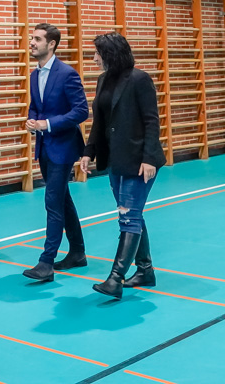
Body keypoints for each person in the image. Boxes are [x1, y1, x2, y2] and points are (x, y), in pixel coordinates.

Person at [78, 32, 166, 299]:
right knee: (132, 214)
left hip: (138, 160)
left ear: (110, 54)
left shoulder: (139, 79)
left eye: (97, 53)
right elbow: (100, 121)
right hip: (115, 159)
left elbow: (151, 121)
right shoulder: (103, 80)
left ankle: (115, 278)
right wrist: (88, 152)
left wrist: (148, 158)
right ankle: (145, 270)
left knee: (129, 216)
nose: (94, 58)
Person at [22, 23, 89, 282]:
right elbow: (36, 106)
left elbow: (81, 111)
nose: (32, 42)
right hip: (44, 146)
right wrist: (32, 120)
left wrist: (47, 124)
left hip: (63, 147)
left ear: (51, 44)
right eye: (32, 38)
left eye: (37, 39)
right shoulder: (33, 75)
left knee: (52, 201)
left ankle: (46, 262)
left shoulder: (67, 74)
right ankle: (78, 253)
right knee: (62, 199)